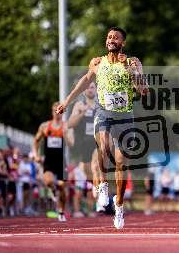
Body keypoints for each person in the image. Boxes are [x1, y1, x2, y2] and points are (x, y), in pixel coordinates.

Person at [55, 26, 148, 229]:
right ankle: (103, 185)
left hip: (124, 116)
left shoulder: (133, 62)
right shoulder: (97, 62)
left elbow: (143, 90)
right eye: (109, 36)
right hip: (104, 112)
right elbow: (83, 82)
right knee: (103, 145)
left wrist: (131, 70)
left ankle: (120, 206)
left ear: (122, 43)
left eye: (116, 37)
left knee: (122, 162)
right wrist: (67, 102)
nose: (111, 39)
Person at [33, 102, 74, 222]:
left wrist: (65, 134)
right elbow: (36, 141)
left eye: (60, 110)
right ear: (52, 112)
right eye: (55, 110)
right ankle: (53, 190)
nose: (57, 113)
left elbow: (71, 145)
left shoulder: (66, 127)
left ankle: (61, 211)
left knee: (62, 186)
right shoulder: (45, 126)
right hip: (49, 161)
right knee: (49, 181)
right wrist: (36, 155)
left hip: (61, 162)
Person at [68, 83, 97, 215]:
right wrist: (82, 113)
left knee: (93, 176)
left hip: (96, 145)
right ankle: (77, 210)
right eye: (87, 87)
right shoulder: (79, 105)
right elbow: (70, 124)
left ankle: (91, 210)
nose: (90, 89)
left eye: (92, 87)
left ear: (96, 89)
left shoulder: (101, 105)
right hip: (82, 146)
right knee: (81, 178)